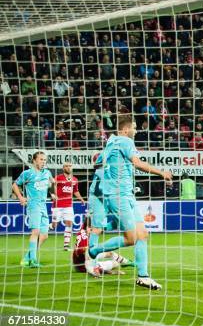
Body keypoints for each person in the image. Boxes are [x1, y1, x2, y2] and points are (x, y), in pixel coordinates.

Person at [87, 115, 172, 290]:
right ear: (125, 129)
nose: (136, 130)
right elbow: (137, 163)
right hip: (119, 196)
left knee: (143, 235)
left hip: (125, 194)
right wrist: (161, 173)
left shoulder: (111, 143)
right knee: (132, 238)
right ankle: (94, 251)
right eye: (134, 127)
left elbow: (97, 163)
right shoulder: (125, 141)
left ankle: (143, 276)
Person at [12, 151, 57, 268]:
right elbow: (15, 185)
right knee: (35, 232)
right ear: (34, 160)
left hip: (43, 205)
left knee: (45, 235)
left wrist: (52, 193)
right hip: (33, 205)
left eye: (45, 160)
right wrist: (21, 197)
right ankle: (33, 260)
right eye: (41, 159)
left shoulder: (47, 172)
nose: (43, 162)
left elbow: (52, 183)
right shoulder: (27, 173)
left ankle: (27, 257)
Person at [50, 161, 86, 250]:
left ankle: (66, 245)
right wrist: (53, 194)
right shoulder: (58, 178)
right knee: (55, 225)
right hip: (57, 205)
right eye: (66, 166)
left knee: (69, 223)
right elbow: (52, 186)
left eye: (70, 166)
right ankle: (44, 229)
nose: (68, 167)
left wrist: (81, 199)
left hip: (68, 205)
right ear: (63, 168)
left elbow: (75, 191)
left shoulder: (75, 179)